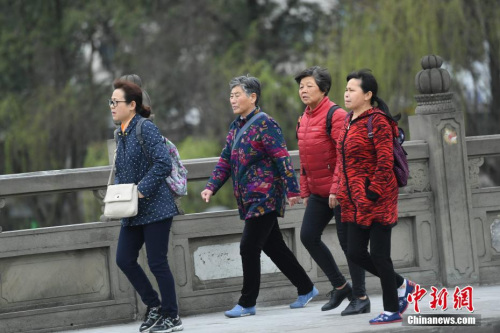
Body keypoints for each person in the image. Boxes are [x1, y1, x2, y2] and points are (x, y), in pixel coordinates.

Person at [201, 75, 318, 318]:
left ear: (252, 97)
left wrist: (293, 189)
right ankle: (306, 288)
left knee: (248, 247)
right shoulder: (236, 126)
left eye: (237, 95)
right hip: (248, 198)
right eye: (231, 95)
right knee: (274, 247)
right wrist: (211, 186)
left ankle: (247, 302)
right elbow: (225, 160)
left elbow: (281, 157)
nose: (232, 99)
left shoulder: (266, 124)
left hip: (264, 197)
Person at [333, 69, 415, 324]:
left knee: (380, 255)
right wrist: (338, 188)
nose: (346, 93)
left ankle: (391, 309)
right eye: (346, 89)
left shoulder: (377, 120)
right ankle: (403, 285)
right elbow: (341, 159)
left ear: (368, 95)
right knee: (355, 252)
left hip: (378, 198)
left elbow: (384, 159)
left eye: (352, 90)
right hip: (353, 200)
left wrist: (373, 191)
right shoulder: (348, 120)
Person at [294, 66, 370, 315]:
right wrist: (305, 191)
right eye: (301, 86)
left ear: (323, 89)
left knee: (349, 245)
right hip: (318, 191)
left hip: (341, 191)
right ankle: (341, 286)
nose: (303, 90)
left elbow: (344, 155)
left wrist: (337, 188)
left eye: (309, 86)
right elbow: (304, 159)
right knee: (308, 236)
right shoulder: (303, 118)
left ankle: (361, 296)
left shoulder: (336, 115)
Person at [110, 79, 183, 332]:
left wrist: (140, 190)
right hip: (130, 209)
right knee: (124, 259)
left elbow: (162, 163)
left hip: (156, 207)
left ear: (132, 105)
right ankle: (154, 306)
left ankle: (172, 316)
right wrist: (120, 195)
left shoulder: (146, 128)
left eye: (115, 102)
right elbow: (122, 170)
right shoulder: (119, 133)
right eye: (110, 102)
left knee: (157, 262)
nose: (112, 106)